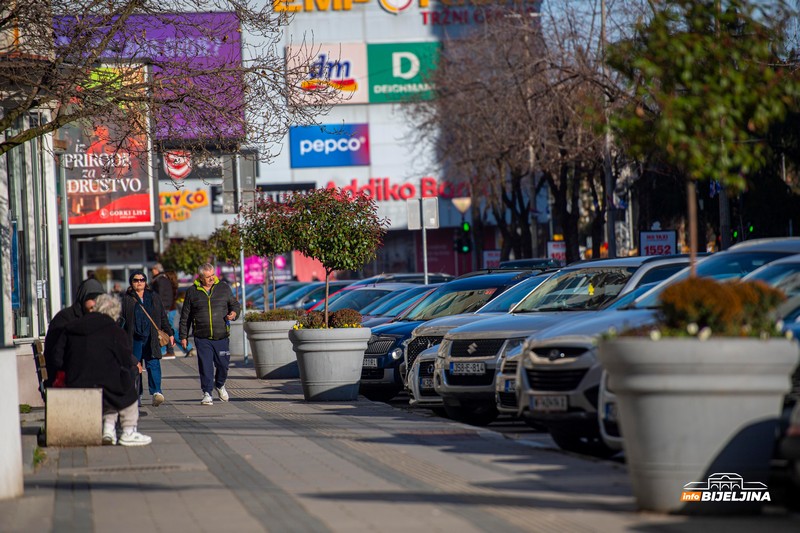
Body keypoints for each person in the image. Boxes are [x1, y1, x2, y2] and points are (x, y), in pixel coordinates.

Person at [54, 294, 151, 446]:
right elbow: (125, 359)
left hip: (75, 380)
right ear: (114, 313)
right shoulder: (114, 330)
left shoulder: (73, 326)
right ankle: (128, 431)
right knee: (124, 386)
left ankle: (108, 429)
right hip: (105, 383)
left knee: (111, 387)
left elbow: (58, 356)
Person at [179, 263, 241, 406]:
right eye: (208, 277)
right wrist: (183, 336)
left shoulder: (223, 288)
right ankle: (207, 393)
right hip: (202, 336)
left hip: (221, 335)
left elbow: (235, 304)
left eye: (213, 275)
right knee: (205, 365)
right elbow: (185, 317)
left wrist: (234, 313)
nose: (212, 278)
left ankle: (219, 384)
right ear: (200, 277)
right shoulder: (192, 292)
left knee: (223, 365)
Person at [121, 270, 173, 407]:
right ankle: (137, 394)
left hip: (151, 337)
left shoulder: (153, 296)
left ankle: (156, 392)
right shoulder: (127, 299)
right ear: (131, 283)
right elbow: (121, 320)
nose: (139, 282)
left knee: (153, 363)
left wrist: (170, 332)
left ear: (145, 282)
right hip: (134, 338)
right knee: (134, 366)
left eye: (142, 280)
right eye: (136, 280)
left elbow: (162, 316)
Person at [43, 277, 105, 387]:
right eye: (92, 299)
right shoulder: (65, 318)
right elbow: (57, 355)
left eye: (99, 300)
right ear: (83, 298)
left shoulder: (100, 318)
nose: (95, 304)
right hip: (68, 376)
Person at [166, 270, 194, 357]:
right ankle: (186, 348)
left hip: (170, 311)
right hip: (172, 310)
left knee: (172, 331)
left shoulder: (168, 287)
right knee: (171, 331)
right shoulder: (174, 286)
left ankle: (188, 347)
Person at [150, 263, 176, 358]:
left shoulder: (159, 280)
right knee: (167, 328)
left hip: (163, 307)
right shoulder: (162, 279)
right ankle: (168, 349)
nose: (151, 271)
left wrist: (157, 306)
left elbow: (158, 295)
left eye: (153, 269)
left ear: (157, 270)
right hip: (166, 306)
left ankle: (170, 350)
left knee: (166, 328)